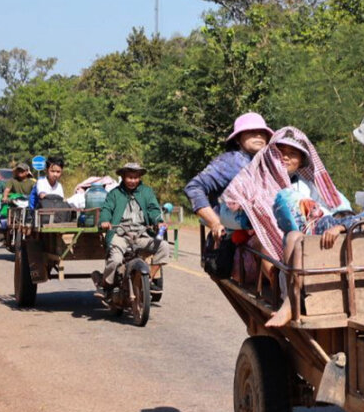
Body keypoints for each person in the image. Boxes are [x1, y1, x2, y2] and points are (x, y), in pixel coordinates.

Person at [222, 126, 352, 327]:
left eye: (292, 154)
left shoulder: (309, 186)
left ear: (301, 161)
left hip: (310, 244)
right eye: (280, 152)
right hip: (267, 245)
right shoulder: (253, 179)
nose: (285, 158)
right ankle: (283, 293)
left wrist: (336, 224)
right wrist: (257, 219)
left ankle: (309, 294)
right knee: (262, 242)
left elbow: (340, 207)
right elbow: (226, 214)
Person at [184, 112, 273, 247]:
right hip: (234, 237)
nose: (258, 135)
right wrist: (215, 222)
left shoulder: (273, 163)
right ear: (238, 139)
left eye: (262, 132)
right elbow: (194, 187)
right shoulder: (229, 162)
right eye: (251, 132)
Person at [92, 163, 170, 294]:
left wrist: (159, 221)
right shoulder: (114, 193)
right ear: (123, 177)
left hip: (141, 234)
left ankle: (148, 279)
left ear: (139, 177)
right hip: (120, 234)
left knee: (163, 246)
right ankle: (105, 284)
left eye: (135, 177)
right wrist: (105, 220)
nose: (133, 181)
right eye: (129, 177)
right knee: (115, 260)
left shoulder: (147, 192)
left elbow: (154, 210)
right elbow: (107, 209)